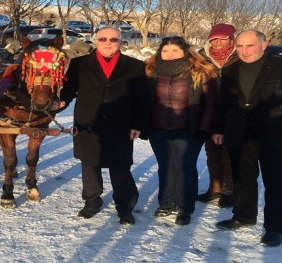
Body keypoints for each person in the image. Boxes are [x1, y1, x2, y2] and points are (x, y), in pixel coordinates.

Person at [212, 30, 282, 247]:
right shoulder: (230, 69)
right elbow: (223, 104)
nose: (244, 51)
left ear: (264, 44)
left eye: (249, 46)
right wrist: (218, 129)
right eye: (239, 46)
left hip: (276, 132)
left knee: (275, 182)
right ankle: (243, 216)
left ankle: (275, 228)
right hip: (239, 132)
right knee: (242, 178)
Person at [60, 26, 150, 225]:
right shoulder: (79, 63)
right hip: (88, 123)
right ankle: (92, 202)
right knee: (90, 164)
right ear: (95, 41)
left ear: (120, 42)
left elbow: (142, 98)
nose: (108, 43)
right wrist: (60, 102)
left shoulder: (134, 65)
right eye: (103, 39)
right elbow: (68, 90)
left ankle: (125, 207)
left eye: (113, 39)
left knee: (120, 167)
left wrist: (138, 124)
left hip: (121, 124)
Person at [145, 36, 217, 225]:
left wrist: (203, 128)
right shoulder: (150, 71)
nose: (170, 55)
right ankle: (167, 203)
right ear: (160, 52)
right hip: (158, 130)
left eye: (175, 50)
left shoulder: (198, 71)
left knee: (185, 168)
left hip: (189, 130)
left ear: (185, 52)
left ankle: (185, 207)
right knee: (166, 167)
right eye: (166, 51)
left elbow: (210, 104)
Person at [197, 23, 239, 208]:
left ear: (231, 39)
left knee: (229, 154)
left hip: (234, 111)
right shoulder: (200, 57)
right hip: (208, 111)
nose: (218, 43)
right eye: (214, 39)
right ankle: (215, 188)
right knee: (212, 152)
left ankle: (230, 191)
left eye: (223, 38)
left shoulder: (240, 55)